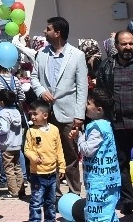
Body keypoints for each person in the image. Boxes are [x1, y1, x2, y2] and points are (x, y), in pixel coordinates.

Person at [29, 16, 88, 194]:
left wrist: (79, 115)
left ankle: (74, 192)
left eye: (48, 29)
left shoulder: (77, 55)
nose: (44, 32)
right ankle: (52, 192)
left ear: (58, 32)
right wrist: (40, 91)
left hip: (68, 113)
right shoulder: (42, 54)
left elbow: (82, 87)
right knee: (48, 153)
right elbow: (33, 77)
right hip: (46, 114)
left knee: (70, 154)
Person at [94, 29, 133, 215]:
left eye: (131, 43)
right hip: (116, 123)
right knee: (121, 163)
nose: (128, 47)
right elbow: (99, 92)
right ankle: (127, 201)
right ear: (116, 45)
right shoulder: (107, 66)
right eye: (124, 44)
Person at [73, 89, 120, 222]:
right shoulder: (106, 125)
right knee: (108, 211)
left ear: (99, 110)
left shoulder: (96, 127)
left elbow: (87, 150)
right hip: (109, 179)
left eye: (88, 103)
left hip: (99, 181)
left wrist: (80, 137)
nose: (85, 106)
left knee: (97, 213)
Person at [24, 99, 65, 222]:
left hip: (52, 174)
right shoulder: (31, 131)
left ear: (45, 115)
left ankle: (50, 220)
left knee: (50, 202)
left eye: (35, 114)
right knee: (36, 202)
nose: (32, 116)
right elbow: (27, 149)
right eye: (31, 114)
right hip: (37, 174)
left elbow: (59, 149)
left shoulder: (54, 130)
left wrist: (62, 166)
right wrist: (34, 157)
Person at [0, 88, 25, 199]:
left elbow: (4, 129)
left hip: (6, 145)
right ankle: (21, 190)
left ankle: (13, 192)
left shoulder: (2, 113)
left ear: (2, 101)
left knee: (9, 169)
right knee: (17, 167)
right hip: (17, 144)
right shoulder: (17, 111)